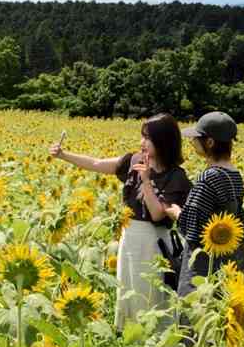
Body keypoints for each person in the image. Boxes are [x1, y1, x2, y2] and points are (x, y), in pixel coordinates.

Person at [50, 113, 192, 331]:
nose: (142, 143)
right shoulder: (133, 160)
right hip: (130, 237)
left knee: (150, 292)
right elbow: (97, 163)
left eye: (147, 138)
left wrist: (146, 180)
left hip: (154, 243)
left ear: (163, 141)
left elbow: (157, 215)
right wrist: (64, 155)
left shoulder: (176, 177)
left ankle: (153, 339)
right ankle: (129, 336)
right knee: (127, 288)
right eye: (142, 137)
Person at [166, 111, 244, 297]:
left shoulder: (208, 177)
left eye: (196, 138)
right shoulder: (234, 174)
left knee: (197, 310)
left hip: (206, 261)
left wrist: (176, 212)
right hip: (229, 257)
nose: (192, 142)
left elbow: (192, 225)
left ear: (210, 142)